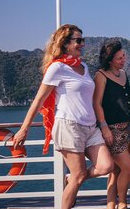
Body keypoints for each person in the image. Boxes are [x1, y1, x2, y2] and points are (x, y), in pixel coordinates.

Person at [12, 24, 114, 209]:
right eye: (78, 40)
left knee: (106, 166)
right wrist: (24, 129)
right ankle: (72, 182)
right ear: (66, 43)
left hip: (90, 127)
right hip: (69, 126)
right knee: (79, 176)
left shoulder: (83, 66)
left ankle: (71, 178)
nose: (82, 44)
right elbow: (38, 101)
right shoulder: (57, 68)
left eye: (83, 40)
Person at [93, 40, 130, 209]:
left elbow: (128, 104)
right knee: (128, 167)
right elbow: (96, 103)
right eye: (119, 58)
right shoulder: (101, 76)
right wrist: (104, 127)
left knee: (116, 171)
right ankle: (123, 202)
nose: (123, 60)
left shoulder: (124, 74)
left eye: (123, 56)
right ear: (109, 59)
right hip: (111, 129)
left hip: (125, 128)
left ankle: (111, 204)